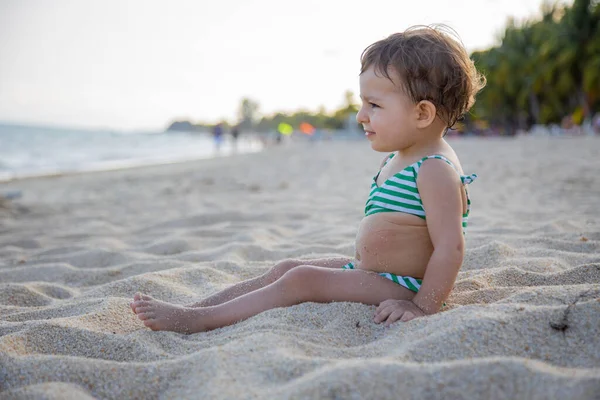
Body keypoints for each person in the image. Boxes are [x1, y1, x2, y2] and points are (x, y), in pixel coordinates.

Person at [130, 25, 486, 333]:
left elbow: (450, 247)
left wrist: (422, 305)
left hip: (404, 286)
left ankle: (200, 321)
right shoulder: (403, 156)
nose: (362, 116)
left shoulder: (434, 168)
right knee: (288, 267)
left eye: (374, 106)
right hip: (371, 272)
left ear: (423, 113)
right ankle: (197, 309)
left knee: (302, 281)